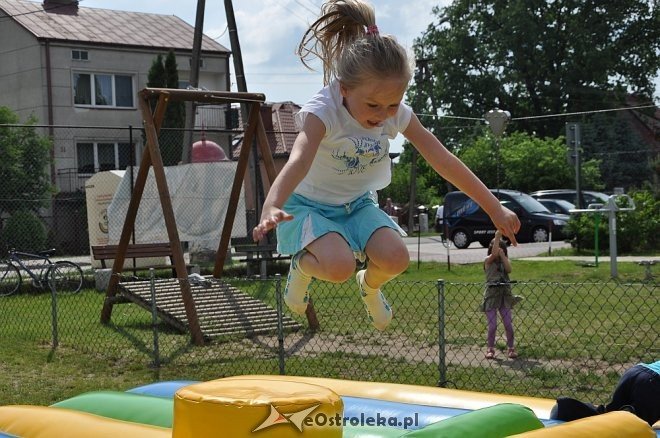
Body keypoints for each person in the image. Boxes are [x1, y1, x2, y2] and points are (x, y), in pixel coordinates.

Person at [252, 0, 520, 330]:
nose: (382, 114)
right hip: (311, 207)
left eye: (393, 103)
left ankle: (370, 286)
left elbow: (442, 159)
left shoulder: (395, 113)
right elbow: (298, 160)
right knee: (338, 268)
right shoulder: (323, 112)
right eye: (374, 104)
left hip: (358, 204)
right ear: (345, 89)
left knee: (396, 258)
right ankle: (300, 269)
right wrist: (271, 205)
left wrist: (495, 208)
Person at [550, 360, 660, 426]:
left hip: (636, 371)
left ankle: (566, 408)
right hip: (654, 383)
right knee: (636, 427)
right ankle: (630, 414)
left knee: (610, 415)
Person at [482, 230, 520, 359]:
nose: (497, 251)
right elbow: (493, 254)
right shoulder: (488, 260)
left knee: (508, 324)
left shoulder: (505, 261)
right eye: (495, 247)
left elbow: (509, 269)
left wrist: (503, 257)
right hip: (492, 295)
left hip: (504, 295)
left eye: (500, 248)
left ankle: (511, 348)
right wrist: (497, 237)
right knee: (492, 326)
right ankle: (490, 348)